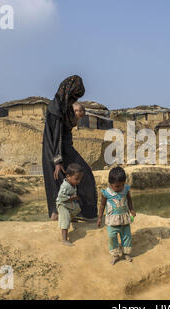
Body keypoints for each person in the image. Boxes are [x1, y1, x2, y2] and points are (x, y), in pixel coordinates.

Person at [42, 75, 98, 221]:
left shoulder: (64, 106)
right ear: (68, 91)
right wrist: (57, 161)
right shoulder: (56, 107)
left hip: (63, 149)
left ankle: (76, 212)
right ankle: (78, 213)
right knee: (68, 178)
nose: (75, 100)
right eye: (74, 96)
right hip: (57, 151)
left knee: (75, 178)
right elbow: (56, 135)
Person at [97, 166, 136, 265]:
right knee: (112, 237)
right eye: (117, 186)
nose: (120, 188)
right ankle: (115, 255)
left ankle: (126, 253)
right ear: (110, 184)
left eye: (122, 185)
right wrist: (100, 217)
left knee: (126, 236)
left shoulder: (125, 190)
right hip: (112, 221)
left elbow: (129, 200)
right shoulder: (106, 193)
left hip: (124, 219)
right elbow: (102, 205)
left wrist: (131, 209)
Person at [56, 163, 84, 246]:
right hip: (62, 204)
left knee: (77, 208)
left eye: (80, 179)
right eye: (76, 179)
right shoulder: (65, 186)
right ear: (68, 176)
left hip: (68, 203)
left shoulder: (72, 184)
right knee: (65, 219)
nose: (78, 181)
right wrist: (71, 198)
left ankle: (70, 218)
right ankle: (64, 239)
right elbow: (61, 197)